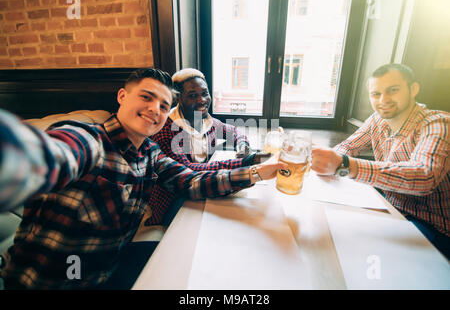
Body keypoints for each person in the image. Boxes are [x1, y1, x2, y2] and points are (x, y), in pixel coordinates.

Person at [0, 68, 286, 289]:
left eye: (163, 105)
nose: (155, 110)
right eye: (146, 97)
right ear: (122, 96)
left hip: (107, 270)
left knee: (205, 268)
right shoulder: (89, 140)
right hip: (48, 282)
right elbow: (50, 154)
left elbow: (192, 181)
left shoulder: (149, 152)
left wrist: (259, 171)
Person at [311, 63, 449, 259]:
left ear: (413, 89)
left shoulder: (438, 123)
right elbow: (349, 147)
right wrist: (329, 160)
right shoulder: (377, 120)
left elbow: (424, 177)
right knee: (328, 232)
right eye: (376, 94)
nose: (383, 100)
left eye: (393, 90)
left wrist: (344, 165)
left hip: (433, 226)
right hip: (390, 211)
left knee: (363, 255)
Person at [142, 68, 269, 226]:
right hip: (172, 200)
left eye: (205, 93)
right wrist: (246, 163)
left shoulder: (205, 121)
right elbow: (189, 170)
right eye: (193, 95)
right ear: (178, 99)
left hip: (202, 185)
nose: (202, 100)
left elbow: (234, 131)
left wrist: (243, 147)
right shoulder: (166, 130)